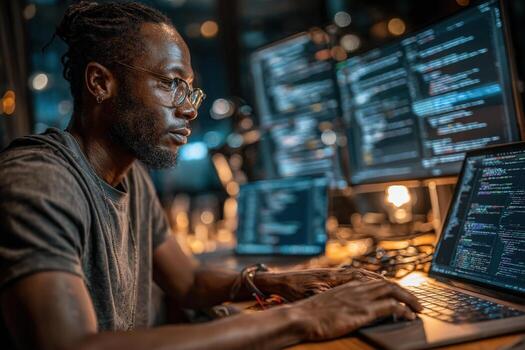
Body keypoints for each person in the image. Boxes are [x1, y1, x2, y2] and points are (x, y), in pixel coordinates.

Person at [0, 2, 421, 349]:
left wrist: (281, 281)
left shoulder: (131, 178)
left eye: (192, 91)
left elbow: (187, 281)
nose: (190, 109)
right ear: (100, 82)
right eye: (171, 84)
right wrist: (306, 318)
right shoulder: (40, 180)